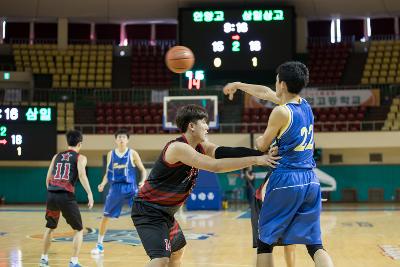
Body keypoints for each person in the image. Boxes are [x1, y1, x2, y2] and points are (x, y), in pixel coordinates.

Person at [131, 104, 280, 267]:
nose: (208, 127)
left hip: (166, 213)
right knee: (160, 260)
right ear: (192, 126)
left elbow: (226, 151)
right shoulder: (178, 147)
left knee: (177, 251)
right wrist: (257, 160)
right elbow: (215, 166)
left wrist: (262, 154)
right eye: (204, 122)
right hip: (149, 210)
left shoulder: (202, 146)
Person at [224, 61, 334, 267]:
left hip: (286, 178)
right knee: (315, 245)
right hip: (311, 179)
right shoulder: (305, 105)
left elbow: (261, 144)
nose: (274, 84)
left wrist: (265, 142)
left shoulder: (281, 112)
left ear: (282, 84)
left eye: (276, 80)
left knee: (265, 242)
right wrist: (239, 84)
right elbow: (265, 93)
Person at [39, 130, 94, 267]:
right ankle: (73, 262)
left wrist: (52, 192)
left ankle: (44, 259)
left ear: (68, 142)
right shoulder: (81, 158)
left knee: (50, 227)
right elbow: (82, 176)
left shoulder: (56, 156)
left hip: (51, 194)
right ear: (80, 143)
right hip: (65, 196)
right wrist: (90, 194)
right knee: (79, 229)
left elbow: (48, 178)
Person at [91, 128, 147, 255]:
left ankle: (150, 241)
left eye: (124, 137)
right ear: (116, 140)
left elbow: (143, 170)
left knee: (142, 216)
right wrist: (102, 183)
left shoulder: (132, 153)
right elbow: (108, 173)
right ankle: (99, 245)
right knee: (105, 217)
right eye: (119, 137)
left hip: (131, 189)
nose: (121, 139)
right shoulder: (111, 154)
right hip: (115, 188)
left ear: (127, 140)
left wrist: (143, 181)